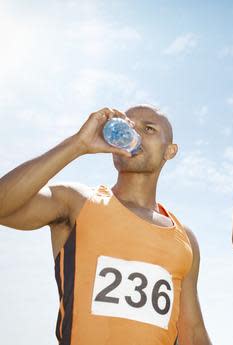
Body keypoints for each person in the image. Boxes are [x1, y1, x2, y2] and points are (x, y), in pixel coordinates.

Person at [0, 105, 212, 345]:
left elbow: (192, 332)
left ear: (170, 151)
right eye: (128, 127)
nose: (136, 135)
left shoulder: (184, 238)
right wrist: (78, 144)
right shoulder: (77, 202)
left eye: (149, 129)